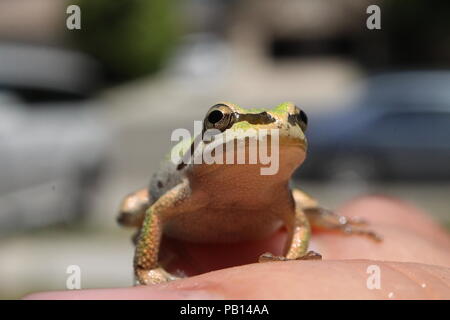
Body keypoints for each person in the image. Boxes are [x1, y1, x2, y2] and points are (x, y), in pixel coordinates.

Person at [25, 196, 450, 299]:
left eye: (295, 119)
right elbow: (154, 213)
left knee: (313, 209)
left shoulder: (279, 190)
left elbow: (296, 218)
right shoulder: (188, 189)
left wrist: (293, 256)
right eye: (221, 119)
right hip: (169, 202)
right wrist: (148, 267)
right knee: (129, 212)